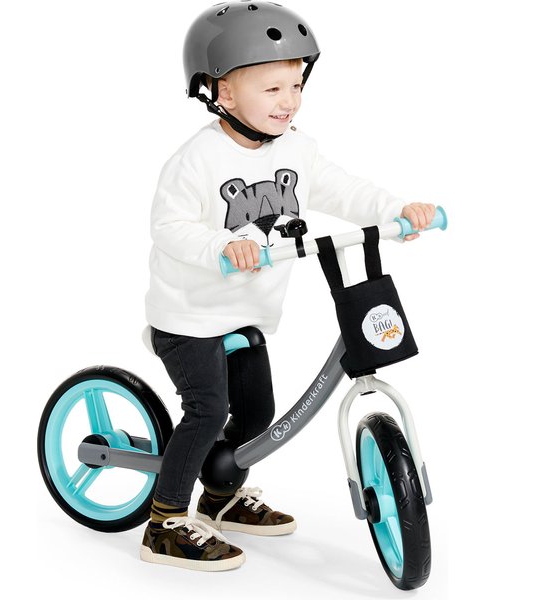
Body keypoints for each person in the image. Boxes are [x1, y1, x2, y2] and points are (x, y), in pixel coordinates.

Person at [140, 1, 436, 572]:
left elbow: (343, 189)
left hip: (247, 313)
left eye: (296, 85)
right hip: (190, 315)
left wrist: (398, 210)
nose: (290, 100)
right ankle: (165, 522)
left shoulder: (297, 150)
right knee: (208, 411)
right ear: (222, 93)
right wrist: (222, 246)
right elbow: (169, 227)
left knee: (258, 414)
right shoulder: (196, 161)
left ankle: (220, 498)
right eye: (272, 88)